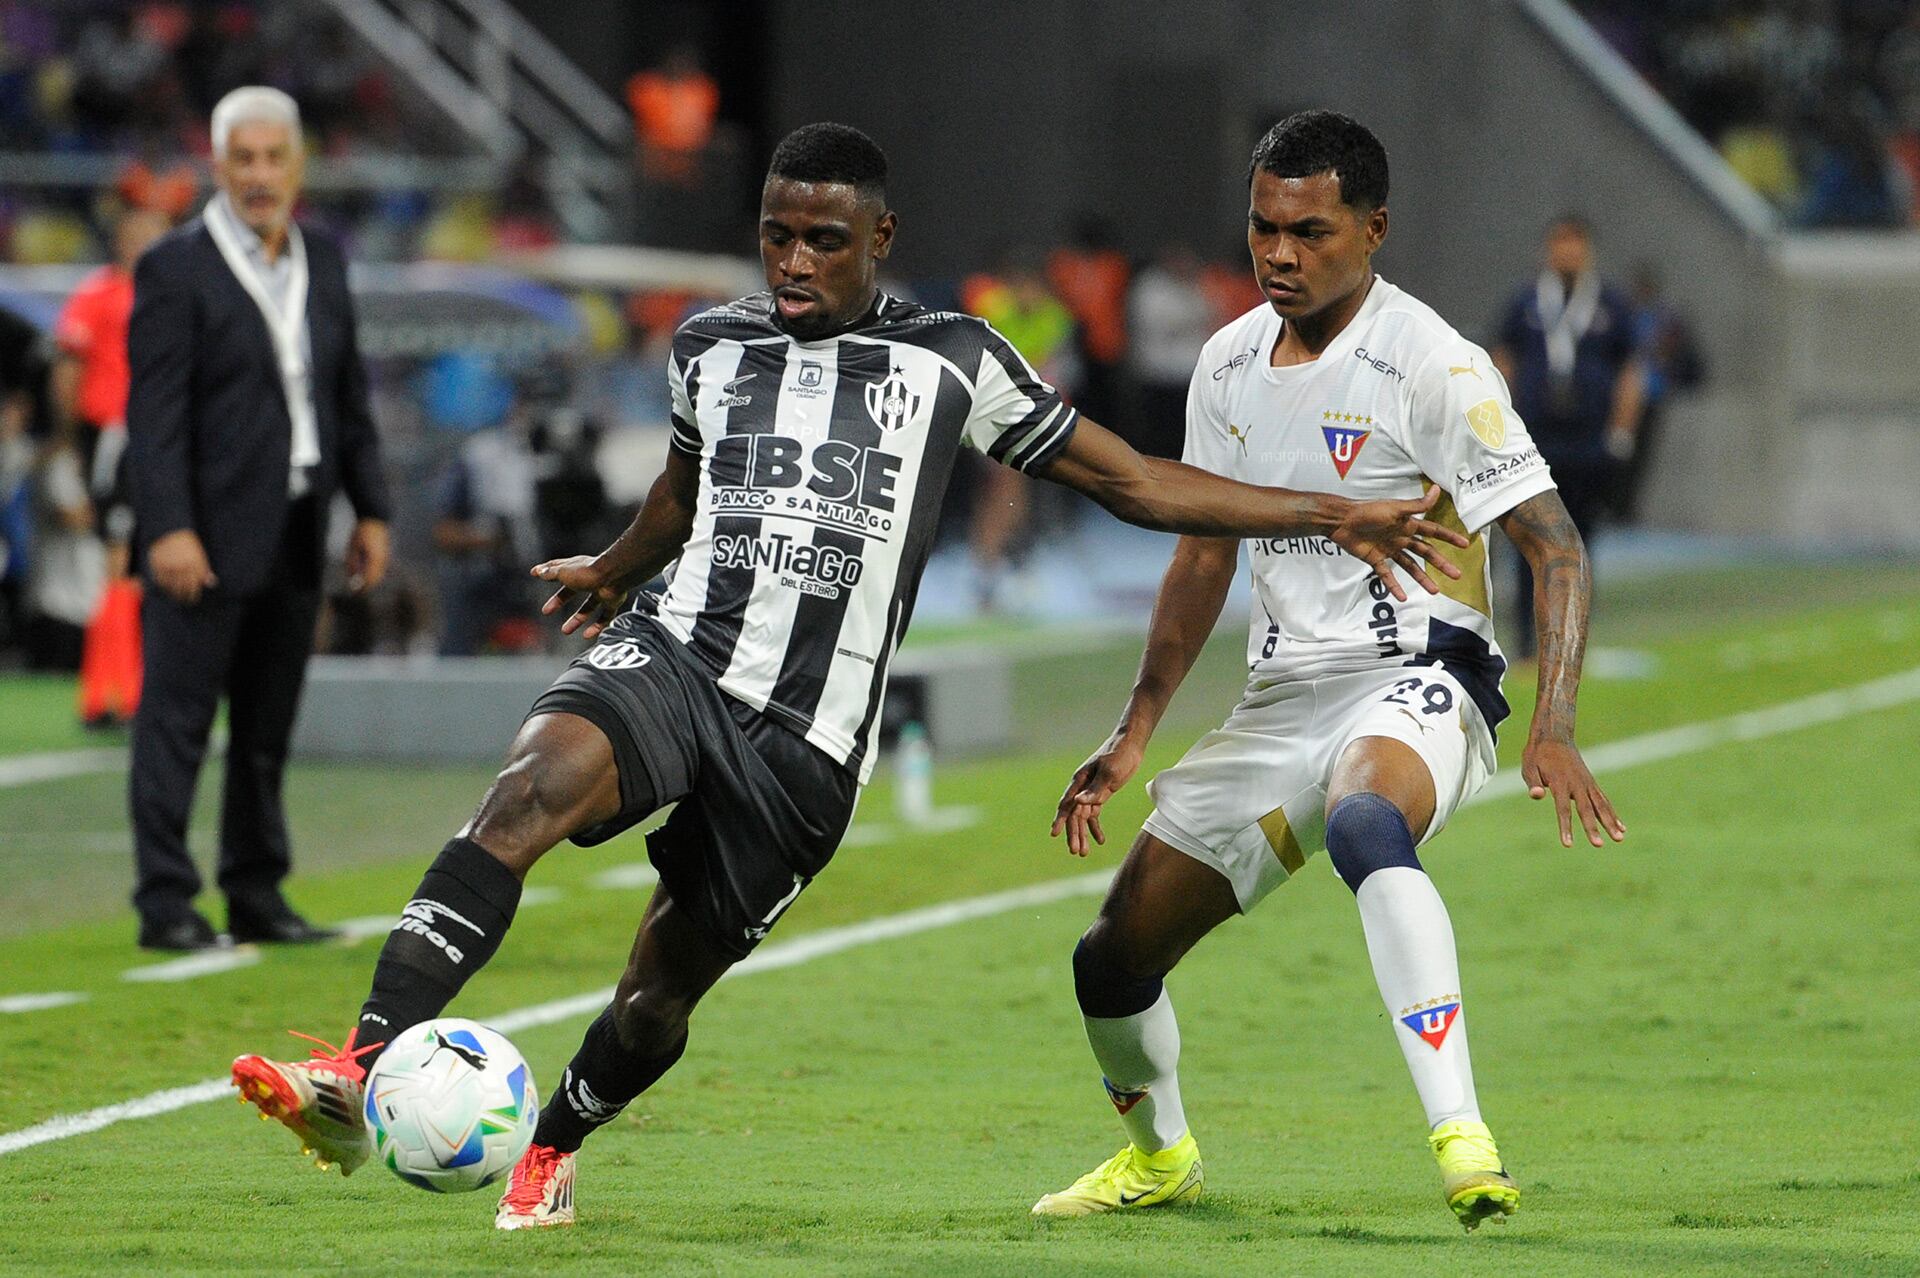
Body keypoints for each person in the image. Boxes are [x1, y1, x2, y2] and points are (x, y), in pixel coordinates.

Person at [228, 122, 1470, 1230]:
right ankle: (359, 1066)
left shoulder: (954, 358)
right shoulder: (710, 343)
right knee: (524, 795)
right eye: (777, 236)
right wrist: (617, 567)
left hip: (806, 748)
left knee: (657, 995)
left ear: (880, 239)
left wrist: (1331, 512)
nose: (794, 262)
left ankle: (550, 1144)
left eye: (824, 241)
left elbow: (1133, 481)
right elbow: (682, 489)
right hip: (679, 653)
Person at [1031, 112, 1624, 1231]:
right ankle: (1160, 1159)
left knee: (1363, 820)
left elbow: (1555, 546)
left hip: (1421, 673)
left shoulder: (1434, 362)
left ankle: (1462, 1135)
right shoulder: (1226, 363)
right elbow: (1202, 555)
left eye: (1309, 232)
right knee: (1110, 959)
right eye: (1264, 228)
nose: (1279, 254)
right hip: (1282, 698)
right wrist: (1135, 727)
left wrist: (1554, 721)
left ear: (1374, 228)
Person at [125, 86, 391, 952]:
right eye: (244, 159)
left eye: (275, 157)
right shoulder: (174, 267)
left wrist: (372, 508)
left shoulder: (325, 258)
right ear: (218, 165)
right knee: (176, 724)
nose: (260, 175)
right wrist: (167, 526)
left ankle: (255, 890)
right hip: (201, 535)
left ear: (299, 164)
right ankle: (166, 901)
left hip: (298, 523)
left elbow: (348, 397)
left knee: (266, 729)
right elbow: (154, 416)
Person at [1492, 215, 1641, 657]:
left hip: (1588, 444)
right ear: (1547, 249)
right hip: (1534, 443)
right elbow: (1502, 359)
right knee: (1528, 542)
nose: (1568, 252)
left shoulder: (1610, 304)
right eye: (1560, 242)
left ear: (1588, 250)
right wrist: (1500, 423)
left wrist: (1622, 431)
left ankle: (1572, 644)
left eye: (1576, 243)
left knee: (1580, 543)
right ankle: (1527, 643)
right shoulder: (1526, 301)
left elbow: (1630, 370)